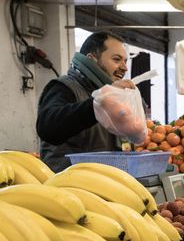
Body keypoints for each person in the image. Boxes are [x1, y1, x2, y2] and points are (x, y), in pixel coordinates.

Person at [37, 31, 135, 172]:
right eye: (116, 59)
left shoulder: (110, 94)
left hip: (102, 182)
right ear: (91, 59)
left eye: (125, 61)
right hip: (68, 186)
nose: (124, 67)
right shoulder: (63, 87)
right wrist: (97, 105)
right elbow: (47, 127)